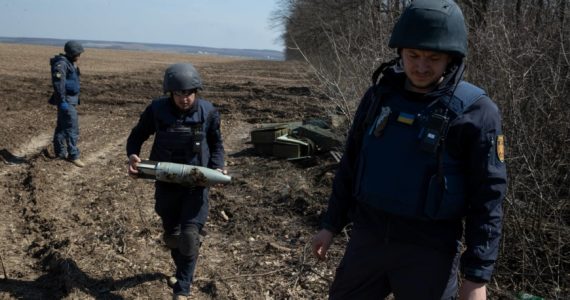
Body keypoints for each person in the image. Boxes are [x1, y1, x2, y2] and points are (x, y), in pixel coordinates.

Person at [311, 1, 507, 299]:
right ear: (400, 52)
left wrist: (477, 277)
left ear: (451, 59)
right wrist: (330, 224)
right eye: (413, 55)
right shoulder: (379, 97)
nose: (421, 66)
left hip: (430, 250)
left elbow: (488, 197)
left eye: (433, 58)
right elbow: (351, 164)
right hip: (368, 238)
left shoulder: (477, 112)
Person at [126, 63, 226, 299]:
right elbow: (137, 134)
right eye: (179, 93)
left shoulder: (208, 112)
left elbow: (217, 144)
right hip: (166, 182)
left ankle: (182, 289)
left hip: (196, 184)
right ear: (170, 92)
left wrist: (218, 167)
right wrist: (132, 155)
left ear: (197, 92)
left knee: (190, 236)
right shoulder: (157, 110)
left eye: (190, 93)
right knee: (173, 236)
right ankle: (182, 267)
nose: (185, 99)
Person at [49, 40, 85, 167]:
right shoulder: (61, 64)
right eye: (78, 53)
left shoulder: (70, 63)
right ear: (71, 53)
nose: (79, 56)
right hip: (66, 101)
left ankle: (60, 153)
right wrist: (62, 101)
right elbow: (59, 84)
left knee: (62, 127)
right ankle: (73, 155)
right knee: (71, 128)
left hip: (70, 100)